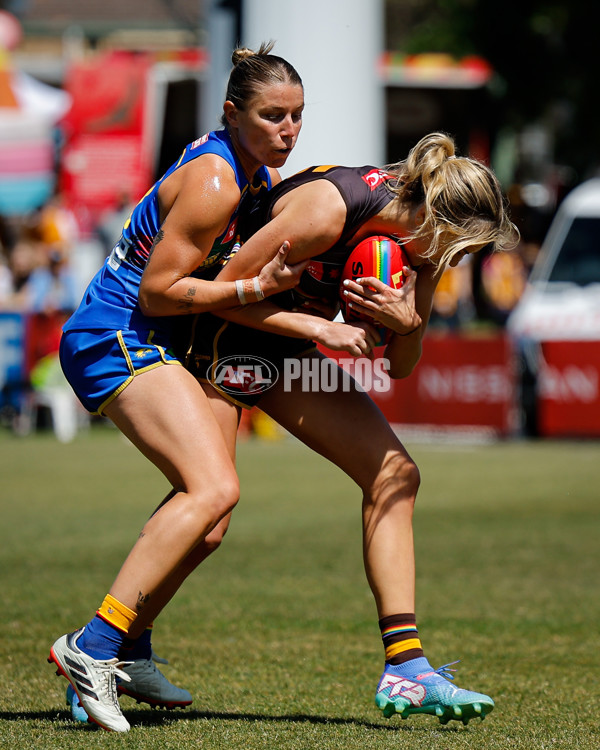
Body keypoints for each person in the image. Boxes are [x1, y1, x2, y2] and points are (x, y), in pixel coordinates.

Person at [141, 132, 519, 727]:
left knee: (395, 474)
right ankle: (113, 647)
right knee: (208, 522)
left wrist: (409, 321)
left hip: (284, 350)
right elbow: (220, 299)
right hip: (218, 340)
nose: (460, 262)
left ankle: (407, 667)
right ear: (436, 218)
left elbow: (400, 364)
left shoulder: (424, 248)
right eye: (463, 249)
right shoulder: (331, 208)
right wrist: (326, 333)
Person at [47, 43, 371, 734]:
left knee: (210, 520)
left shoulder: (246, 171)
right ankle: (93, 647)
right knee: (214, 489)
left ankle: (129, 649)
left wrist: (317, 325)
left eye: (297, 116)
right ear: (232, 112)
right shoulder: (218, 182)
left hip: (146, 340)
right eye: (272, 116)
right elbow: (162, 293)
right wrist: (257, 287)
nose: (288, 130)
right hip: (117, 337)